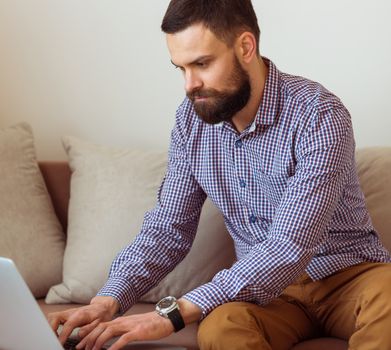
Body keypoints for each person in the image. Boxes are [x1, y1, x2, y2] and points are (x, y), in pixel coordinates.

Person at [48, 1, 391, 349]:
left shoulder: (319, 115)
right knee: (221, 326)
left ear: (245, 47)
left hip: (349, 276)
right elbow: (169, 228)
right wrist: (108, 300)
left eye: (202, 64)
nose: (189, 84)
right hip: (267, 295)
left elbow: (289, 245)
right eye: (180, 68)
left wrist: (174, 314)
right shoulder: (190, 122)